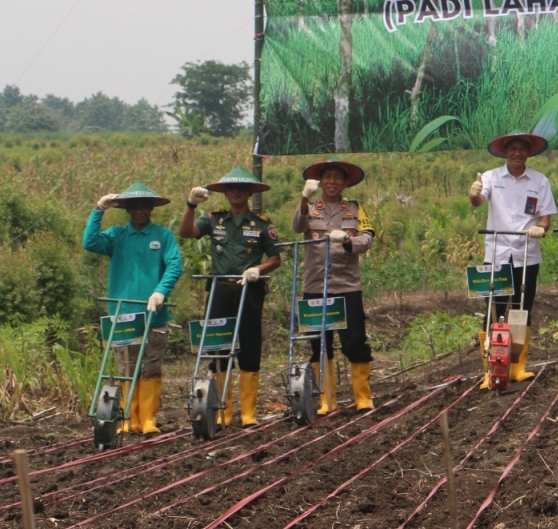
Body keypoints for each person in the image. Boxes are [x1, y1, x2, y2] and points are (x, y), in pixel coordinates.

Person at [179, 165, 281, 427]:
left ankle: (248, 413)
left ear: (248, 192)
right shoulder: (214, 219)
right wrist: (190, 205)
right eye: (230, 188)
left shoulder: (261, 223)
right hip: (219, 289)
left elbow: (275, 258)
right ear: (225, 193)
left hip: (249, 289)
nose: (235, 192)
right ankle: (223, 410)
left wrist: (257, 269)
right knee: (218, 347)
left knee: (249, 347)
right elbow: (186, 232)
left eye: (240, 188)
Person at [83, 182, 183, 435]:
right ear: (127, 210)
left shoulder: (162, 236)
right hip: (124, 314)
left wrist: (160, 290)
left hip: (154, 314)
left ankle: (147, 418)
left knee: (151, 366)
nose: (139, 211)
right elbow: (90, 242)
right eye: (134, 207)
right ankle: (129, 418)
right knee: (127, 367)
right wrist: (98, 210)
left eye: (144, 207)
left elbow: (175, 265)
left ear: (151, 208)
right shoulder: (116, 236)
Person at [469, 132, 557, 387]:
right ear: (505, 152)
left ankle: (518, 366)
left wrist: (541, 227)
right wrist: (473, 193)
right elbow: (478, 200)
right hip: (496, 252)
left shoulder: (540, 181)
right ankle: (490, 368)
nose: (517, 153)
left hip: (526, 253)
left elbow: (545, 218)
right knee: (492, 309)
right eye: (513, 149)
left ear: (528, 153)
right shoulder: (490, 177)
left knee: (521, 309)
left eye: (522, 149)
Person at [292, 156, 376, 413]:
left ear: (344, 182)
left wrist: (348, 242)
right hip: (315, 284)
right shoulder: (310, 207)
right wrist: (304, 198)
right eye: (327, 177)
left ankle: (363, 397)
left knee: (354, 342)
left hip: (347, 285)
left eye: (337, 177)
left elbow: (368, 238)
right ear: (319, 182)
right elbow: (296, 227)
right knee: (319, 343)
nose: (331, 181)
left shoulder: (354, 208)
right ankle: (326, 399)